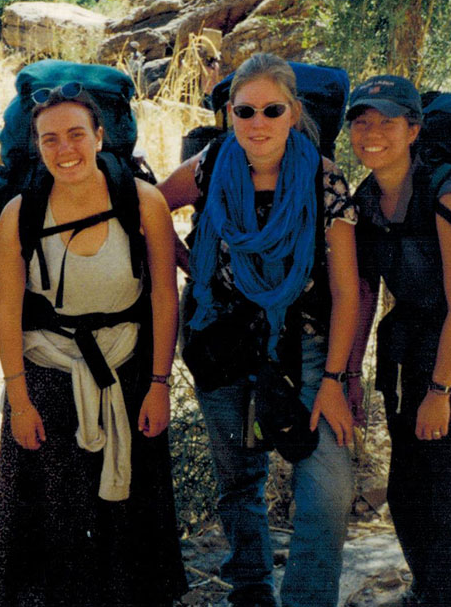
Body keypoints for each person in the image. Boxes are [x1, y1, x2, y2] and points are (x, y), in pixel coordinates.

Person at [158, 53, 359, 607]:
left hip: (307, 348)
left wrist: (336, 380)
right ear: (229, 114)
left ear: (293, 113)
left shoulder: (322, 178)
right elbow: (153, 202)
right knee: (239, 479)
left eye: (272, 109)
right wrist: (190, 263)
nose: (258, 122)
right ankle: (250, 590)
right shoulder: (214, 161)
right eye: (245, 110)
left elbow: (346, 292)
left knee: (328, 491)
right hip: (223, 339)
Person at [0, 82, 186, 606]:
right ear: (37, 146)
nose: (65, 149)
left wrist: (160, 384)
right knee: (55, 515)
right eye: (49, 139)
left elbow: (165, 296)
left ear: (99, 136)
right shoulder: (19, 215)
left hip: (130, 370)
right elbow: (6, 312)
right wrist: (20, 402)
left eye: (77, 134)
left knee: (129, 513)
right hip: (47, 374)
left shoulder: (142, 203)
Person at [345, 75, 451, 607]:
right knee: (408, 493)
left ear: (413, 128)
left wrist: (440, 392)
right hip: (414, 358)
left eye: (387, 121)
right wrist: (349, 374)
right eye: (361, 121)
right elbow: (365, 295)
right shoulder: (368, 200)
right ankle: (429, 592)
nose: (372, 133)